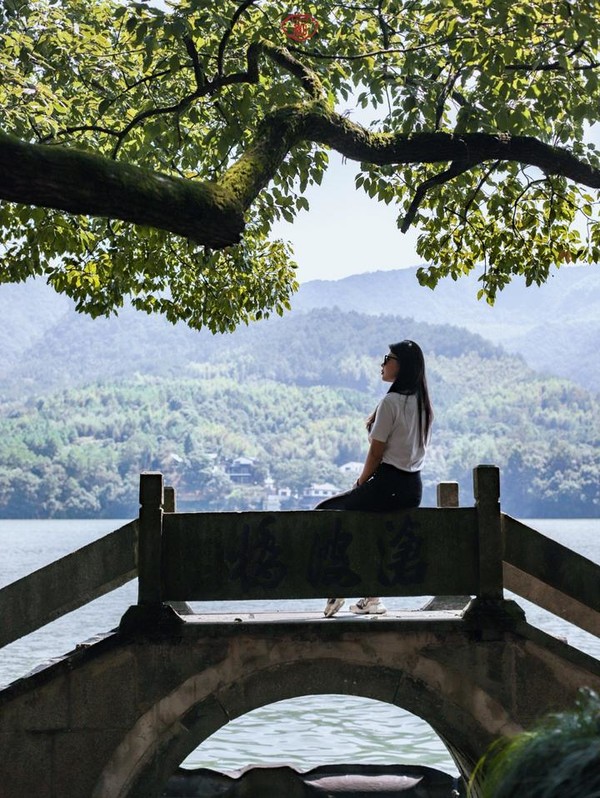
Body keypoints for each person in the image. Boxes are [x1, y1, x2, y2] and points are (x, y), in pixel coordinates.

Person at [316, 340, 433, 617]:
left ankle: (337, 587)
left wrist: (359, 484)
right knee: (373, 529)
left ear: (401, 365)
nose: (382, 363)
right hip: (412, 487)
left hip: (387, 484)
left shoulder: (392, 402)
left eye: (388, 358)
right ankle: (371, 598)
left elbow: (376, 453)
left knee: (324, 511)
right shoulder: (423, 404)